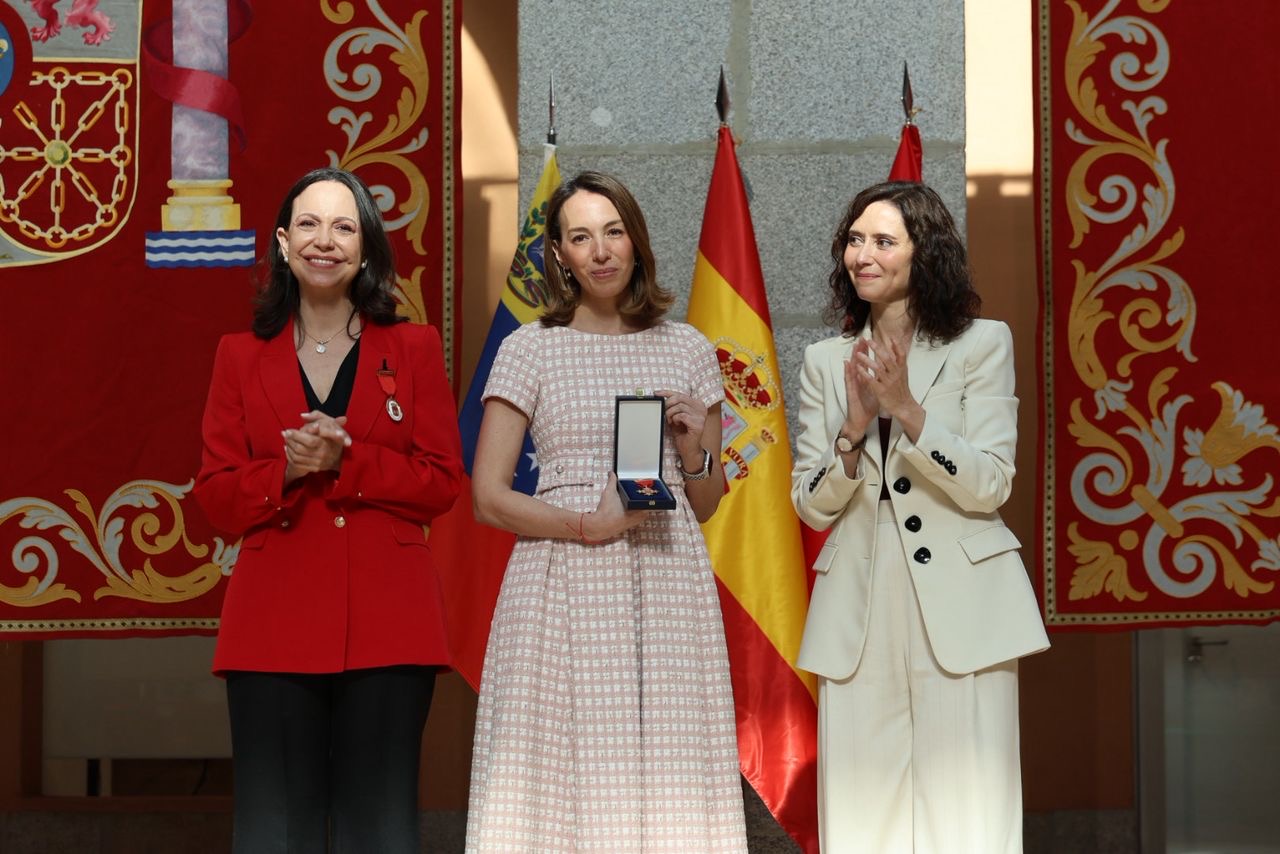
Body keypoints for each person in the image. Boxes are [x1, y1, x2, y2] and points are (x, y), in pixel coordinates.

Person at [464, 170, 748, 852]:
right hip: (563, 576)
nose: (601, 251)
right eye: (581, 237)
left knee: (670, 757)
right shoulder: (528, 346)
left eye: (614, 232)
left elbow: (705, 503)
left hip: (667, 575)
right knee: (557, 758)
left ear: (637, 241)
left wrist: (693, 448)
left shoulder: (687, 348)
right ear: (558, 255)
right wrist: (586, 525)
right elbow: (488, 497)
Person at [194, 166, 464, 854]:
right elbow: (216, 495)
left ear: (367, 250)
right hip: (271, 623)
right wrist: (286, 467)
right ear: (283, 243)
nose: (325, 240)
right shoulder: (237, 355)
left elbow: (442, 482)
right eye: (309, 225)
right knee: (272, 830)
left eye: (344, 226)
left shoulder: (414, 348)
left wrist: (347, 463)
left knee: (379, 828)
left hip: (389, 620)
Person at [791, 180, 1050, 853]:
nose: (862, 255)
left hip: (965, 599)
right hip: (859, 598)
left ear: (923, 253)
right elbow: (810, 503)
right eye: (854, 240)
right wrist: (851, 430)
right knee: (860, 809)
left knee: (968, 809)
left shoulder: (982, 344)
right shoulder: (824, 361)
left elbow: (990, 484)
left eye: (883, 240)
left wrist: (907, 409)